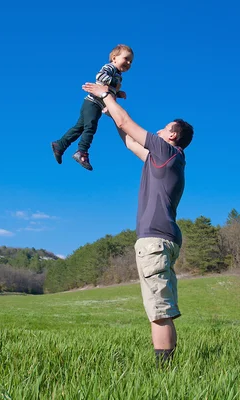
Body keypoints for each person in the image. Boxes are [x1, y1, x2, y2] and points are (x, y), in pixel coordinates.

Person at [82, 82, 194, 366]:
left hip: (155, 239)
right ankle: (165, 368)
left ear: (172, 134)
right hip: (162, 238)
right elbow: (130, 140)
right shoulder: (165, 159)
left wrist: (106, 95)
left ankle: (164, 374)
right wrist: (109, 110)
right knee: (158, 306)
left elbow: (128, 122)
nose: (157, 131)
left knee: (159, 310)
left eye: (163, 128)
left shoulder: (166, 150)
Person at [51, 44, 134, 171]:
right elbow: (100, 77)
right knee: (90, 127)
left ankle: (60, 145)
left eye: (130, 61)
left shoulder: (118, 75)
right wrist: (115, 84)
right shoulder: (110, 68)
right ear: (114, 58)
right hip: (92, 102)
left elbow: (107, 89)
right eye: (126, 58)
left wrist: (118, 93)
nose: (128, 63)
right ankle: (82, 152)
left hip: (95, 104)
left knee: (79, 128)